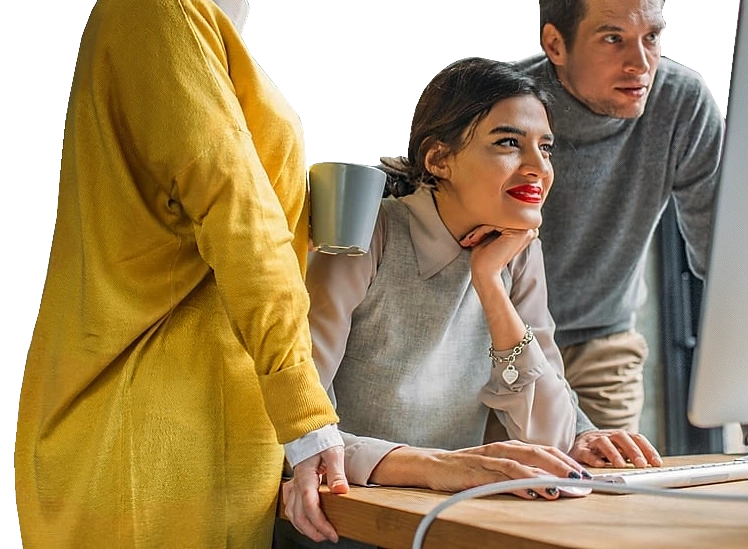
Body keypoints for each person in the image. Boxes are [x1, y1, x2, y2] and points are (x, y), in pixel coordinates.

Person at [16, 0, 406, 547]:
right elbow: (238, 218)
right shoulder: (158, 3)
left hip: (209, 422)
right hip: (146, 424)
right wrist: (307, 417)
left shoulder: (210, 27)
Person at [276, 57, 660, 548]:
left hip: (452, 517)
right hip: (346, 519)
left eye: (545, 148)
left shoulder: (517, 248)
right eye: (507, 143)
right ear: (438, 160)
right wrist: (437, 466)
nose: (538, 168)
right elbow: (301, 427)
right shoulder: (368, 232)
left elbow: (550, 437)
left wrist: (490, 284)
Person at [512, 0, 748, 461]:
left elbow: (723, 263)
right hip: (496, 338)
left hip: (602, 339)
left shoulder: (680, 104)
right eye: (613, 38)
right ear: (555, 44)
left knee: (606, 502)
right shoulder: (508, 107)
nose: (640, 63)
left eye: (651, 37)